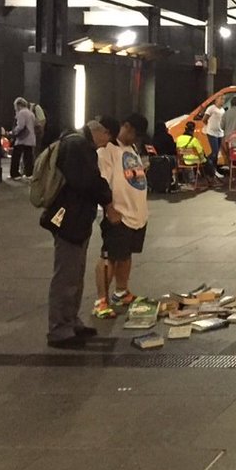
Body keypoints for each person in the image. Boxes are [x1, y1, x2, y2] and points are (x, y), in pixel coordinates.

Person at [40, 120, 113, 349]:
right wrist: (106, 197)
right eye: (107, 138)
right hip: (68, 219)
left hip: (77, 219)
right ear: (100, 131)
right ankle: (59, 329)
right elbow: (86, 181)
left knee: (75, 273)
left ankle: (71, 321)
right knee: (66, 275)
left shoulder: (79, 144)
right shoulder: (76, 145)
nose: (105, 144)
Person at [91, 113, 150, 320]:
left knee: (125, 255)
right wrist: (109, 208)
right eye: (135, 134)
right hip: (118, 213)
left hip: (136, 214)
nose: (136, 139)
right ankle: (101, 300)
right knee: (110, 257)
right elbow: (101, 183)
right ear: (126, 127)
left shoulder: (131, 148)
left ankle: (121, 292)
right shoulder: (107, 150)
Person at [176, 121, 216, 187]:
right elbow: (200, 151)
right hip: (194, 161)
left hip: (184, 161)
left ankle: (203, 178)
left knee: (202, 161)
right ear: (193, 130)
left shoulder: (179, 138)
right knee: (208, 162)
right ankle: (211, 178)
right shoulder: (194, 140)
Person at [9, 97, 38, 180]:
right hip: (31, 138)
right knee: (28, 157)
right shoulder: (31, 113)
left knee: (16, 156)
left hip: (22, 139)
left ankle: (15, 174)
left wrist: (13, 132)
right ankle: (29, 174)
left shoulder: (21, 113)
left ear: (18, 105)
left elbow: (21, 126)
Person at [202, 96, 224, 170]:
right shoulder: (211, 108)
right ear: (216, 100)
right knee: (214, 152)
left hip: (220, 133)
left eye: (224, 99)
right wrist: (209, 126)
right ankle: (206, 164)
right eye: (221, 99)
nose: (223, 100)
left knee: (217, 153)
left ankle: (214, 169)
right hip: (212, 133)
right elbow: (204, 119)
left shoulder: (223, 110)